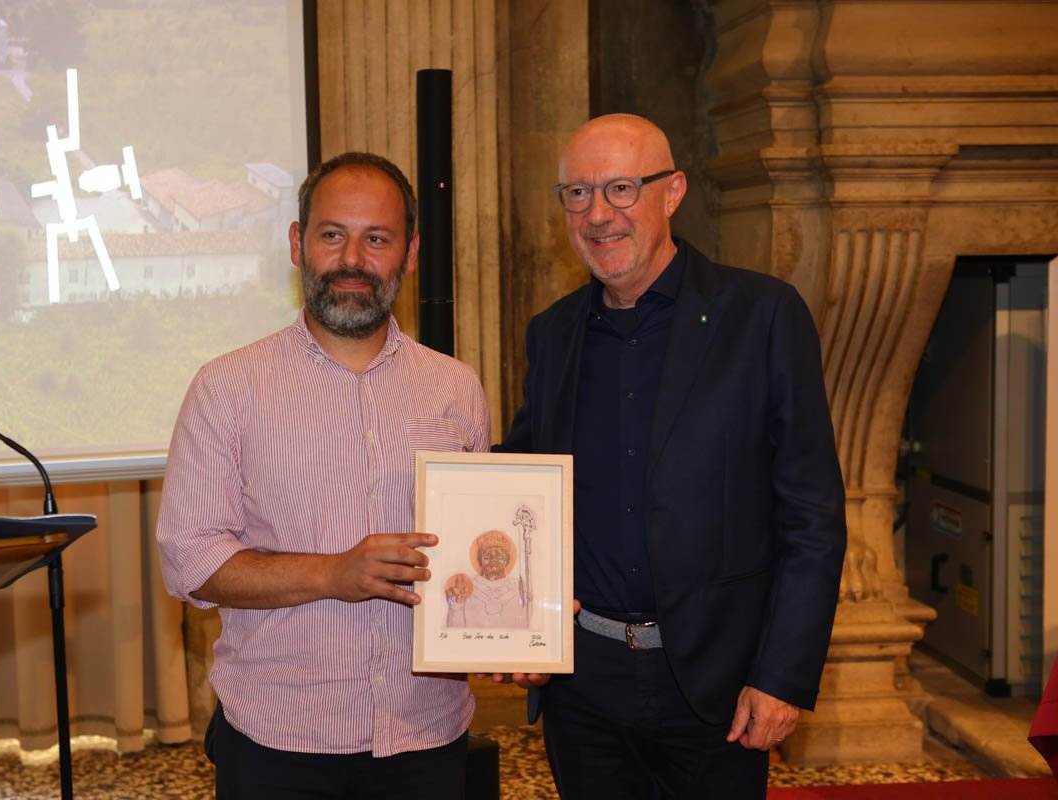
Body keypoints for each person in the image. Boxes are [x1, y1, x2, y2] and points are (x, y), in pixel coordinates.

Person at [497, 113, 846, 798]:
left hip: (716, 685)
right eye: (577, 194)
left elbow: (812, 515)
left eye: (622, 188)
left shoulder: (763, 316)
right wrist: (514, 623)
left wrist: (781, 675)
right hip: (584, 685)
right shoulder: (554, 334)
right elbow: (523, 484)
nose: (598, 214)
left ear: (674, 191)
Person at [156, 152, 490, 800]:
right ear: (296, 243)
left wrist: (513, 633)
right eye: (332, 234)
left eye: (378, 239)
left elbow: (476, 559)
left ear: (410, 252)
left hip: (427, 738)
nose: (352, 260)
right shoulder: (226, 389)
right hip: (280, 746)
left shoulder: (455, 387)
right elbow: (191, 561)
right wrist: (334, 574)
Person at [445, 529, 528, 629]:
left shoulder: (518, 587)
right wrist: (455, 607)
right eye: (488, 555)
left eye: (499, 555)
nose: (493, 559)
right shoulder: (466, 587)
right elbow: (455, 630)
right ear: (480, 560)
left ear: (507, 560)